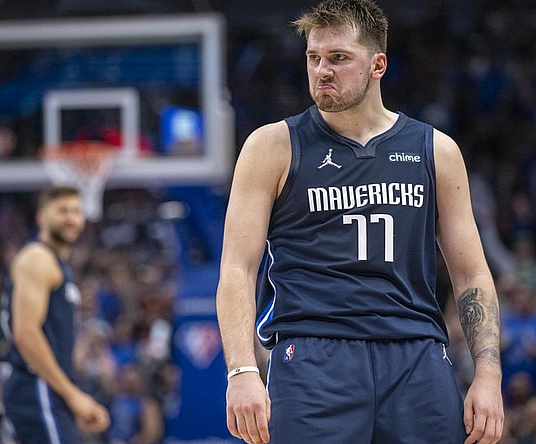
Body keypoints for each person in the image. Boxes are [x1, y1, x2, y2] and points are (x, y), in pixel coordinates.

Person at [215, 1, 504, 443]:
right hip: (313, 355)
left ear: (377, 64)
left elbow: (471, 274)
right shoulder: (272, 146)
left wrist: (488, 374)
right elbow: (237, 268)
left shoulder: (436, 151)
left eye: (338, 58)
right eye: (314, 58)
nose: (322, 71)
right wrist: (241, 370)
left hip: (416, 356)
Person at [0, 186, 110, 443]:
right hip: (36, 385)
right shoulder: (38, 258)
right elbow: (26, 334)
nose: (71, 218)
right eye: (62, 211)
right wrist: (73, 396)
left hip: (47, 390)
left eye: (76, 211)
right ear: (41, 217)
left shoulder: (57, 265)